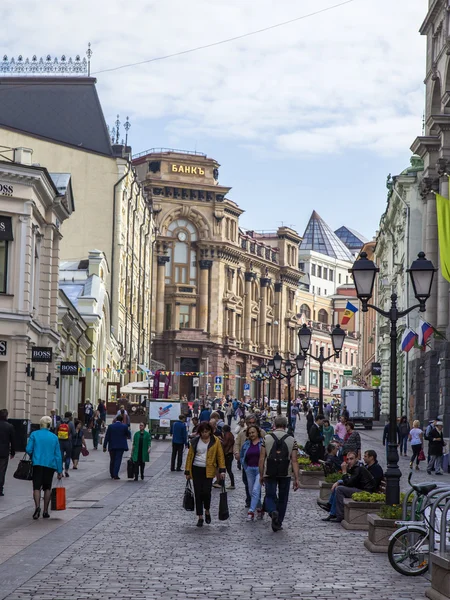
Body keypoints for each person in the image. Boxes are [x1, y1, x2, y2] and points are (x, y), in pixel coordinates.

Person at [259, 416, 299, 532]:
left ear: (274, 425)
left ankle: (272, 511)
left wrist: (261, 475)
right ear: (286, 426)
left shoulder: (266, 438)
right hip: (285, 472)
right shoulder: (292, 439)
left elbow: (262, 458)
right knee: (283, 498)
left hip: (270, 471)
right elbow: (294, 460)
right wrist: (296, 478)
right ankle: (278, 522)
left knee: (270, 495)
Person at [185, 422, 226, 527]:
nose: (204, 434)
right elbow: (189, 457)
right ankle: (200, 516)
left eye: (206, 431)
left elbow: (220, 456)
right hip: (196, 468)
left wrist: (222, 470)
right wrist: (187, 471)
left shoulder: (215, 441)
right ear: (200, 432)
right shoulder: (194, 441)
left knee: (207, 492)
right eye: (202, 432)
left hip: (209, 469)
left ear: (210, 431)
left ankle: (207, 510)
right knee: (198, 493)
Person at [322, 451, 376, 523]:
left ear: (356, 458)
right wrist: (339, 481)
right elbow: (350, 481)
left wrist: (344, 472)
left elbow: (349, 483)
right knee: (339, 486)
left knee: (339, 489)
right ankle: (331, 508)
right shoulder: (355, 467)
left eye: (351, 459)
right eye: (347, 459)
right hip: (359, 488)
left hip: (365, 492)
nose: (349, 461)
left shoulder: (358, 468)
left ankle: (339, 515)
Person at [26, 416, 63, 519]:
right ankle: (46, 510)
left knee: (36, 487)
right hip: (50, 465)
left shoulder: (34, 434)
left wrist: (34, 455)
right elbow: (58, 456)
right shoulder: (54, 437)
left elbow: (28, 449)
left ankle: (37, 507)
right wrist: (59, 470)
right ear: (49, 425)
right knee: (47, 487)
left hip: (37, 463)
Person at [234, 415, 267, 507]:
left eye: (253, 423)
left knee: (257, 484)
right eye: (250, 423)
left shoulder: (262, 432)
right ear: (246, 423)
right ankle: (249, 499)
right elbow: (237, 444)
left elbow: (266, 443)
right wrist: (236, 453)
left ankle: (256, 502)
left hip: (259, 463)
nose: (251, 424)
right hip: (246, 463)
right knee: (247, 483)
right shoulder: (242, 433)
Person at [240, 425, 264, 521]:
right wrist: (245, 467)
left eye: (253, 432)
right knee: (251, 492)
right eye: (249, 433)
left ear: (257, 432)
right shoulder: (246, 444)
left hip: (259, 470)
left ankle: (251, 512)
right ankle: (260, 509)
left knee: (255, 490)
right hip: (249, 469)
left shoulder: (263, 443)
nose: (251, 434)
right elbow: (242, 456)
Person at [103, 415, 131, 479]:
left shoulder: (110, 426)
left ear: (116, 419)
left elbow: (107, 437)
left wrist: (104, 446)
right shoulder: (124, 426)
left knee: (112, 460)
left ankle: (112, 473)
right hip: (120, 446)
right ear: (122, 420)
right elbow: (128, 434)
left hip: (112, 446)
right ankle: (115, 474)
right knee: (118, 460)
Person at [0, 409, 15, 497]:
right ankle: (0, 488)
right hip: (4, 452)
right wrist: (12, 452)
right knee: (2, 470)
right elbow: (12, 440)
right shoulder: (9, 426)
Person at [57, 412, 76, 477]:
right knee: (68, 457)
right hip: (68, 442)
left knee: (60, 457)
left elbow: (55, 432)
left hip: (60, 442)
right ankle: (66, 471)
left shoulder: (59, 422)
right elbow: (74, 433)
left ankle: (60, 471)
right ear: (70, 416)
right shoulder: (71, 423)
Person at [221, 424, 235, 489]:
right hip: (230, 454)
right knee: (229, 470)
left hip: (227, 454)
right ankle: (231, 483)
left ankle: (228, 484)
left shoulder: (227, 435)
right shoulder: (231, 434)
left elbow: (225, 443)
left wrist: (220, 440)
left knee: (226, 470)